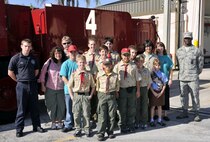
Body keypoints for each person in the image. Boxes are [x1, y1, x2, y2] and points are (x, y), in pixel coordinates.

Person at [8, 38, 45, 137]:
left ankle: (36, 126)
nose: (27, 48)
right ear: (21, 46)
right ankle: (19, 129)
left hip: (32, 85)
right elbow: (10, 72)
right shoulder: (15, 58)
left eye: (29, 46)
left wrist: (31, 79)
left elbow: (37, 71)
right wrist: (18, 80)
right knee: (21, 108)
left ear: (31, 47)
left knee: (35, 107)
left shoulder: (34, 58)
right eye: (25, 46)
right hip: (21, 86)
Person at [176, 32, 204, 122]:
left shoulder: (197, 51)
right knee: (183, 95)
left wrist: (195, 73)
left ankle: (197, 113)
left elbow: (200, 65)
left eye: (189, 38)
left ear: (191, 39)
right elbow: (179, 63)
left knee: (195, 95)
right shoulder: (179, 51)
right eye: (185, 38)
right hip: (182, 77)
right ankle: (184, 112)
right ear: (183, 39)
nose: (187, 40)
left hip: (193, 78)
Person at [113, 48, 141, 133]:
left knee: (131, 108)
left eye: (127, 55)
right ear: (121, 55)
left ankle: (131, 125)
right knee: (122, 109)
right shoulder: (117, 66)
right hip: (122, 90)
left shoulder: (133, 66)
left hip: (132, 89)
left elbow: (137, 79)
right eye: (124, 55)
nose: (126, 57)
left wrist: (138, 90)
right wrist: (116, 91)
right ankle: (122, 125)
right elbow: (114, 80)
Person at [39, 46, 66, 130]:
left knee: (61, 105)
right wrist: (42, 85)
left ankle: (60, 121)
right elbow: (42, 74)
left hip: (62, 88)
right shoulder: (49, 62)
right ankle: (53, 122)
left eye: (60, 53)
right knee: (51, 105)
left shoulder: (65, 63)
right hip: (50, 88)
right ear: (53, 54)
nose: (58, 55)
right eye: (56, 53)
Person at [68, 55, 95, 137]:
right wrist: (72, 96)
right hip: (77, 95)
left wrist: (90, 95)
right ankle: (78, 129)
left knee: (86, 113)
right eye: (80, 62)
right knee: (76, 113)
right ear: (77, 63)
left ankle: (86, 129)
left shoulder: (89, 75)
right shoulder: (74, 74)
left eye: (83, 62)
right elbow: (69, 86)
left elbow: (93, 86)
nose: (81, 64)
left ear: (85, 63)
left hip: (85, 95)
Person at [96, 58, 119, 141]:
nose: (107, 66)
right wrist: (100, 96)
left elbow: (117, 87)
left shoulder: (115, 75)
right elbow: (97, 87)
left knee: (111, 115)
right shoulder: (99, 74)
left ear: (111, 65)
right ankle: (101, 132)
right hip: (102, 95)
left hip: (111, 95)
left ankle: (110, 131)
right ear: (103, 66)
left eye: (109, 64)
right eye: (105, 65)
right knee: (102, 115)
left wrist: (115, 95)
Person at [60, 45, 78, 132]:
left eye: (74, 52)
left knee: (79, 108)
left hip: (79, 90)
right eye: (71, 52)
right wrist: (70, 86)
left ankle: (79, 124)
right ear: (68, 53)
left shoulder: (79, 63)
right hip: (68, 91)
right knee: (69, 108)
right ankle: (68, 124)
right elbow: (63, 77)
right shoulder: (65, 64)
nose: (73, 53)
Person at [83, 36, 99, 123]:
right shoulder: (84, 56)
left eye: (94, 44)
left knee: (95, 100)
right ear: (88, 45)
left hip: (96, 81)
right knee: (87, 100)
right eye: (91, 44)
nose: (92, 46)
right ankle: (88, 119)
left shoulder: (99, 55)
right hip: (87, 82)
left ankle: (95, 117)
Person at [156, 42, 173, 121]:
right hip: (156, 81)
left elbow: (170, 69)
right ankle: (156, 114)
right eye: (158, 47)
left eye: (161, 46)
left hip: (165, 81)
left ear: (164, 47)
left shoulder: (167, 57)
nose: (160, 48)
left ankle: (165, 114)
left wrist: (170, 79)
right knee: (157, 97)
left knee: (165, 97)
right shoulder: (155, 57)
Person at [135, 54, 152, 129]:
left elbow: (149, 81)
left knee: (144, 106)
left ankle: (144, 122)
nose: (140, 63)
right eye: (138, 61)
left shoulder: (146, 70)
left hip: (144, 89)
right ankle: (137, 122)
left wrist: (147, 88)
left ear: (143, 61)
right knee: (137, 106)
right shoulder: (135, 70)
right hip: (136, 89)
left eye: (141, 61)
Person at [149, 58, 168, 127]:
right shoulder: (151, 74)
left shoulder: (162, 74)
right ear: (153, 66)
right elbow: (150, 85)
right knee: (153, 106)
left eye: (158, 65)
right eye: (156, 65)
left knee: (160, 106)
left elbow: (164, 85)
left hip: (160, 92)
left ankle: (160, 119)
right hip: (153, 92)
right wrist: (153, 92)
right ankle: (151, 119)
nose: (157, 67)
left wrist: (161, 92)